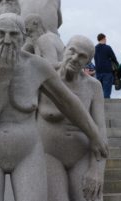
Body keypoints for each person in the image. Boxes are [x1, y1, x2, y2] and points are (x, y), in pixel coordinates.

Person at [0, 13, 108, 201]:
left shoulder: (37, 67)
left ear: (23, 37)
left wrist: (94, 136)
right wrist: (1, 79)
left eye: (14, 34)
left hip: (27, 150)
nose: (7, 41)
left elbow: (69, 103)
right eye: (1, 33)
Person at [37, 35, 107, 201]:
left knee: (90, 197)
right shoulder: (43, 78)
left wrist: (97, 170)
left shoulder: (93, 86)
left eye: (82, 56)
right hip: (49, 155)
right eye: (72, 51)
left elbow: (101, 130)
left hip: (81, 156)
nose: (75, 58)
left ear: (88, 61)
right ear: (64, 50)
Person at [94, 33, 118, 98]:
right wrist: (117, 66)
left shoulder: (95, 48)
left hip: (98, 71)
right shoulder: (108, 48)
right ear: (104, 38)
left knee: (99, 91)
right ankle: (106, 106)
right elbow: (114, 58)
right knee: (106, 91)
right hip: (107, 71)